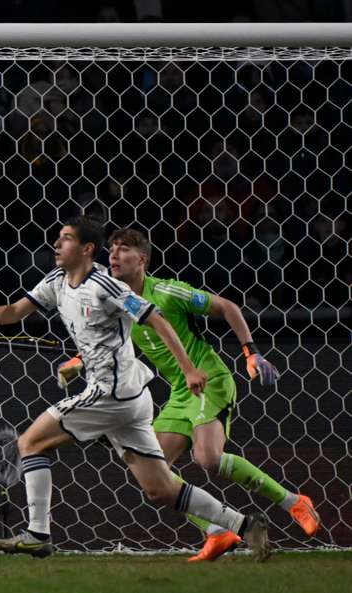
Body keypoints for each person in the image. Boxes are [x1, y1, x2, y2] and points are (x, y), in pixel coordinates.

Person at [0, 217, 270, 561]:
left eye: (67, 239)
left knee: (29, 443)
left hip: (110, 395)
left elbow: (156, 319)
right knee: (160, 488)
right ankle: (243, 524)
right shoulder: (56, 280)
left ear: (87, 249)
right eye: (58, 238)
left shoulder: (107, 286)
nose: (57, 245)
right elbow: (14, 310)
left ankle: (37, 534)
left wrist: (189, 368)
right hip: (131, 400)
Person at [91, 227, 319, 561]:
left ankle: (294, 502)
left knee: (207, 458)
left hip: (208, 378)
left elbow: (227, 307)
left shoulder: (168, 292)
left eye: (123, 249)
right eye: (111, 249)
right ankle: (216, 530)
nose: (113, 255)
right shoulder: (117, 306)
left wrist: (251, 352)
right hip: (181, 392)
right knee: (153, 472)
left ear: (142, 259)